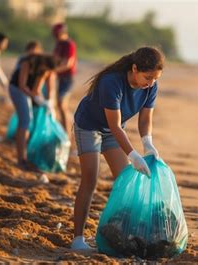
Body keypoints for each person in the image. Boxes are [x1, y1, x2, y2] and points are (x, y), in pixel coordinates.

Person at [70, 47, 163, 251]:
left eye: (155, 79)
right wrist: (133, 155)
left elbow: (145, 119)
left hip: (113, 131)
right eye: (148, 77)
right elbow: (114, 124)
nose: (151, 83)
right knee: (90, 178)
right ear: (135, 68)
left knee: (125, 181)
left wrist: (147, 143)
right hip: (89, 126)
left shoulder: (150, 87)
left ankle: (127, 232)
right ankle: (78, 239)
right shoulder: (112, 82)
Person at [8, 51, 58, 171]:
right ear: (43, 63)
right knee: (25, 120)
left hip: (27, 91)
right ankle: (21, 159)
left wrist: (46, 103)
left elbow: (36, 89)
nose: (45, 72)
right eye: (46, 69)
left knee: (30, 122)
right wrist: (35, 98)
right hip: (16, 89)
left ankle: (26, 158)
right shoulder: (27, 63)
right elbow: (21, 85)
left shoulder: (44, 70)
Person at [52, 23, 77, 137]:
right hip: (60, 78)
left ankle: (67, 134)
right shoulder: (59, 44)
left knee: (62, 105)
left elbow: (68, 64)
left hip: (68, 78)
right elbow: (54, 59)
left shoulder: (69, 44)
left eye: (57, 35)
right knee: (60, 105)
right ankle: (64, 131)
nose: (56, 37)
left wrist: (53, 71)